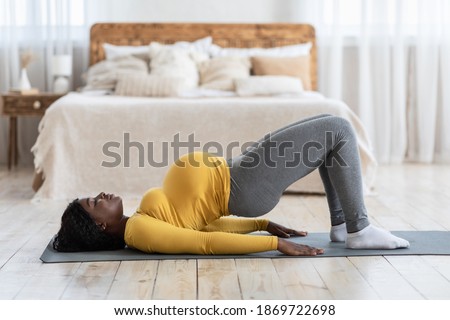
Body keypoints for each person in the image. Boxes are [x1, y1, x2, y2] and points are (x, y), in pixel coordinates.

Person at [53, 114, 410, 256]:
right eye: (94, 202)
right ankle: (359, 228)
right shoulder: (140, 232)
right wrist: (272, 245)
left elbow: (205, 222)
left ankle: (342, 226)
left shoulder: (142, 218)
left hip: (239, 171)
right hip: (242, 184)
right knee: (339, 130)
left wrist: (261, 224)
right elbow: (203, 242)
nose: (101, 195)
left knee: (331, 137)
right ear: (101, 225)